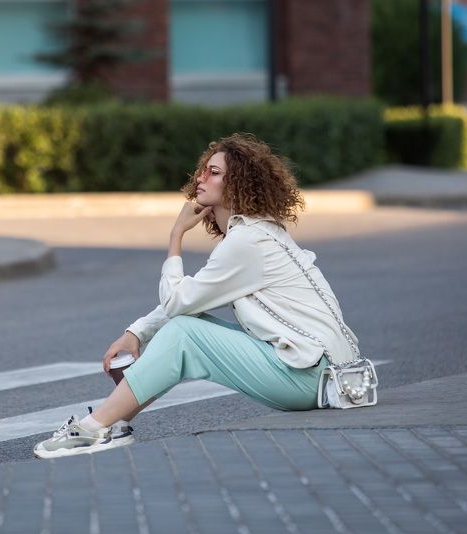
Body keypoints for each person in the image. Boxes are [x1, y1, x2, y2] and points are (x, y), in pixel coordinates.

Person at [33, 133, 363, 459]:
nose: (201, 178)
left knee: (184, 333)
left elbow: (177, 302)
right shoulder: (256, 233)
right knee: (187, 328)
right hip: (328, 375)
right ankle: (115, 424)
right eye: (202, 170)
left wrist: (176, 235)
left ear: (237, 184)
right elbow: (192, 298)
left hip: (310, 378)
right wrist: (136, 333)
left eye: (214, 172)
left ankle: (91, 429)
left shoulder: (247, 242)